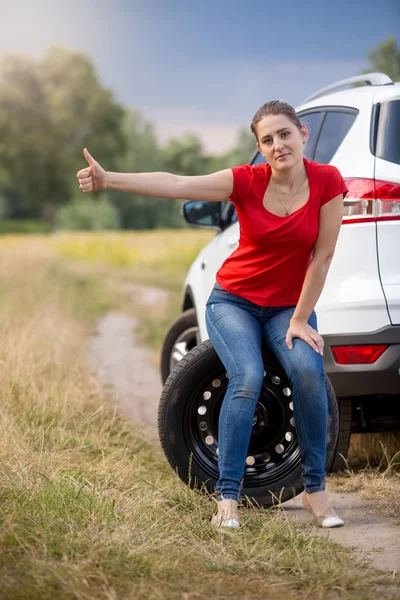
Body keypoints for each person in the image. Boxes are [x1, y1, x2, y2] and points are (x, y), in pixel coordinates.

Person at [77, 100, 347, 530]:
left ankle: (315, 491)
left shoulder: (328, 182)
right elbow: (176, 183)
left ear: (303, 134)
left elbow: (323, 256)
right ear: (259, 146)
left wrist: (299, 320)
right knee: (247, 376)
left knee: (308, 371)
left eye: (285, 134)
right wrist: (110, 179)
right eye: (267, 140)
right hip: (234, 301)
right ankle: (227, 497)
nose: (278, 145)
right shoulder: (245, 181)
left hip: (287, 309)